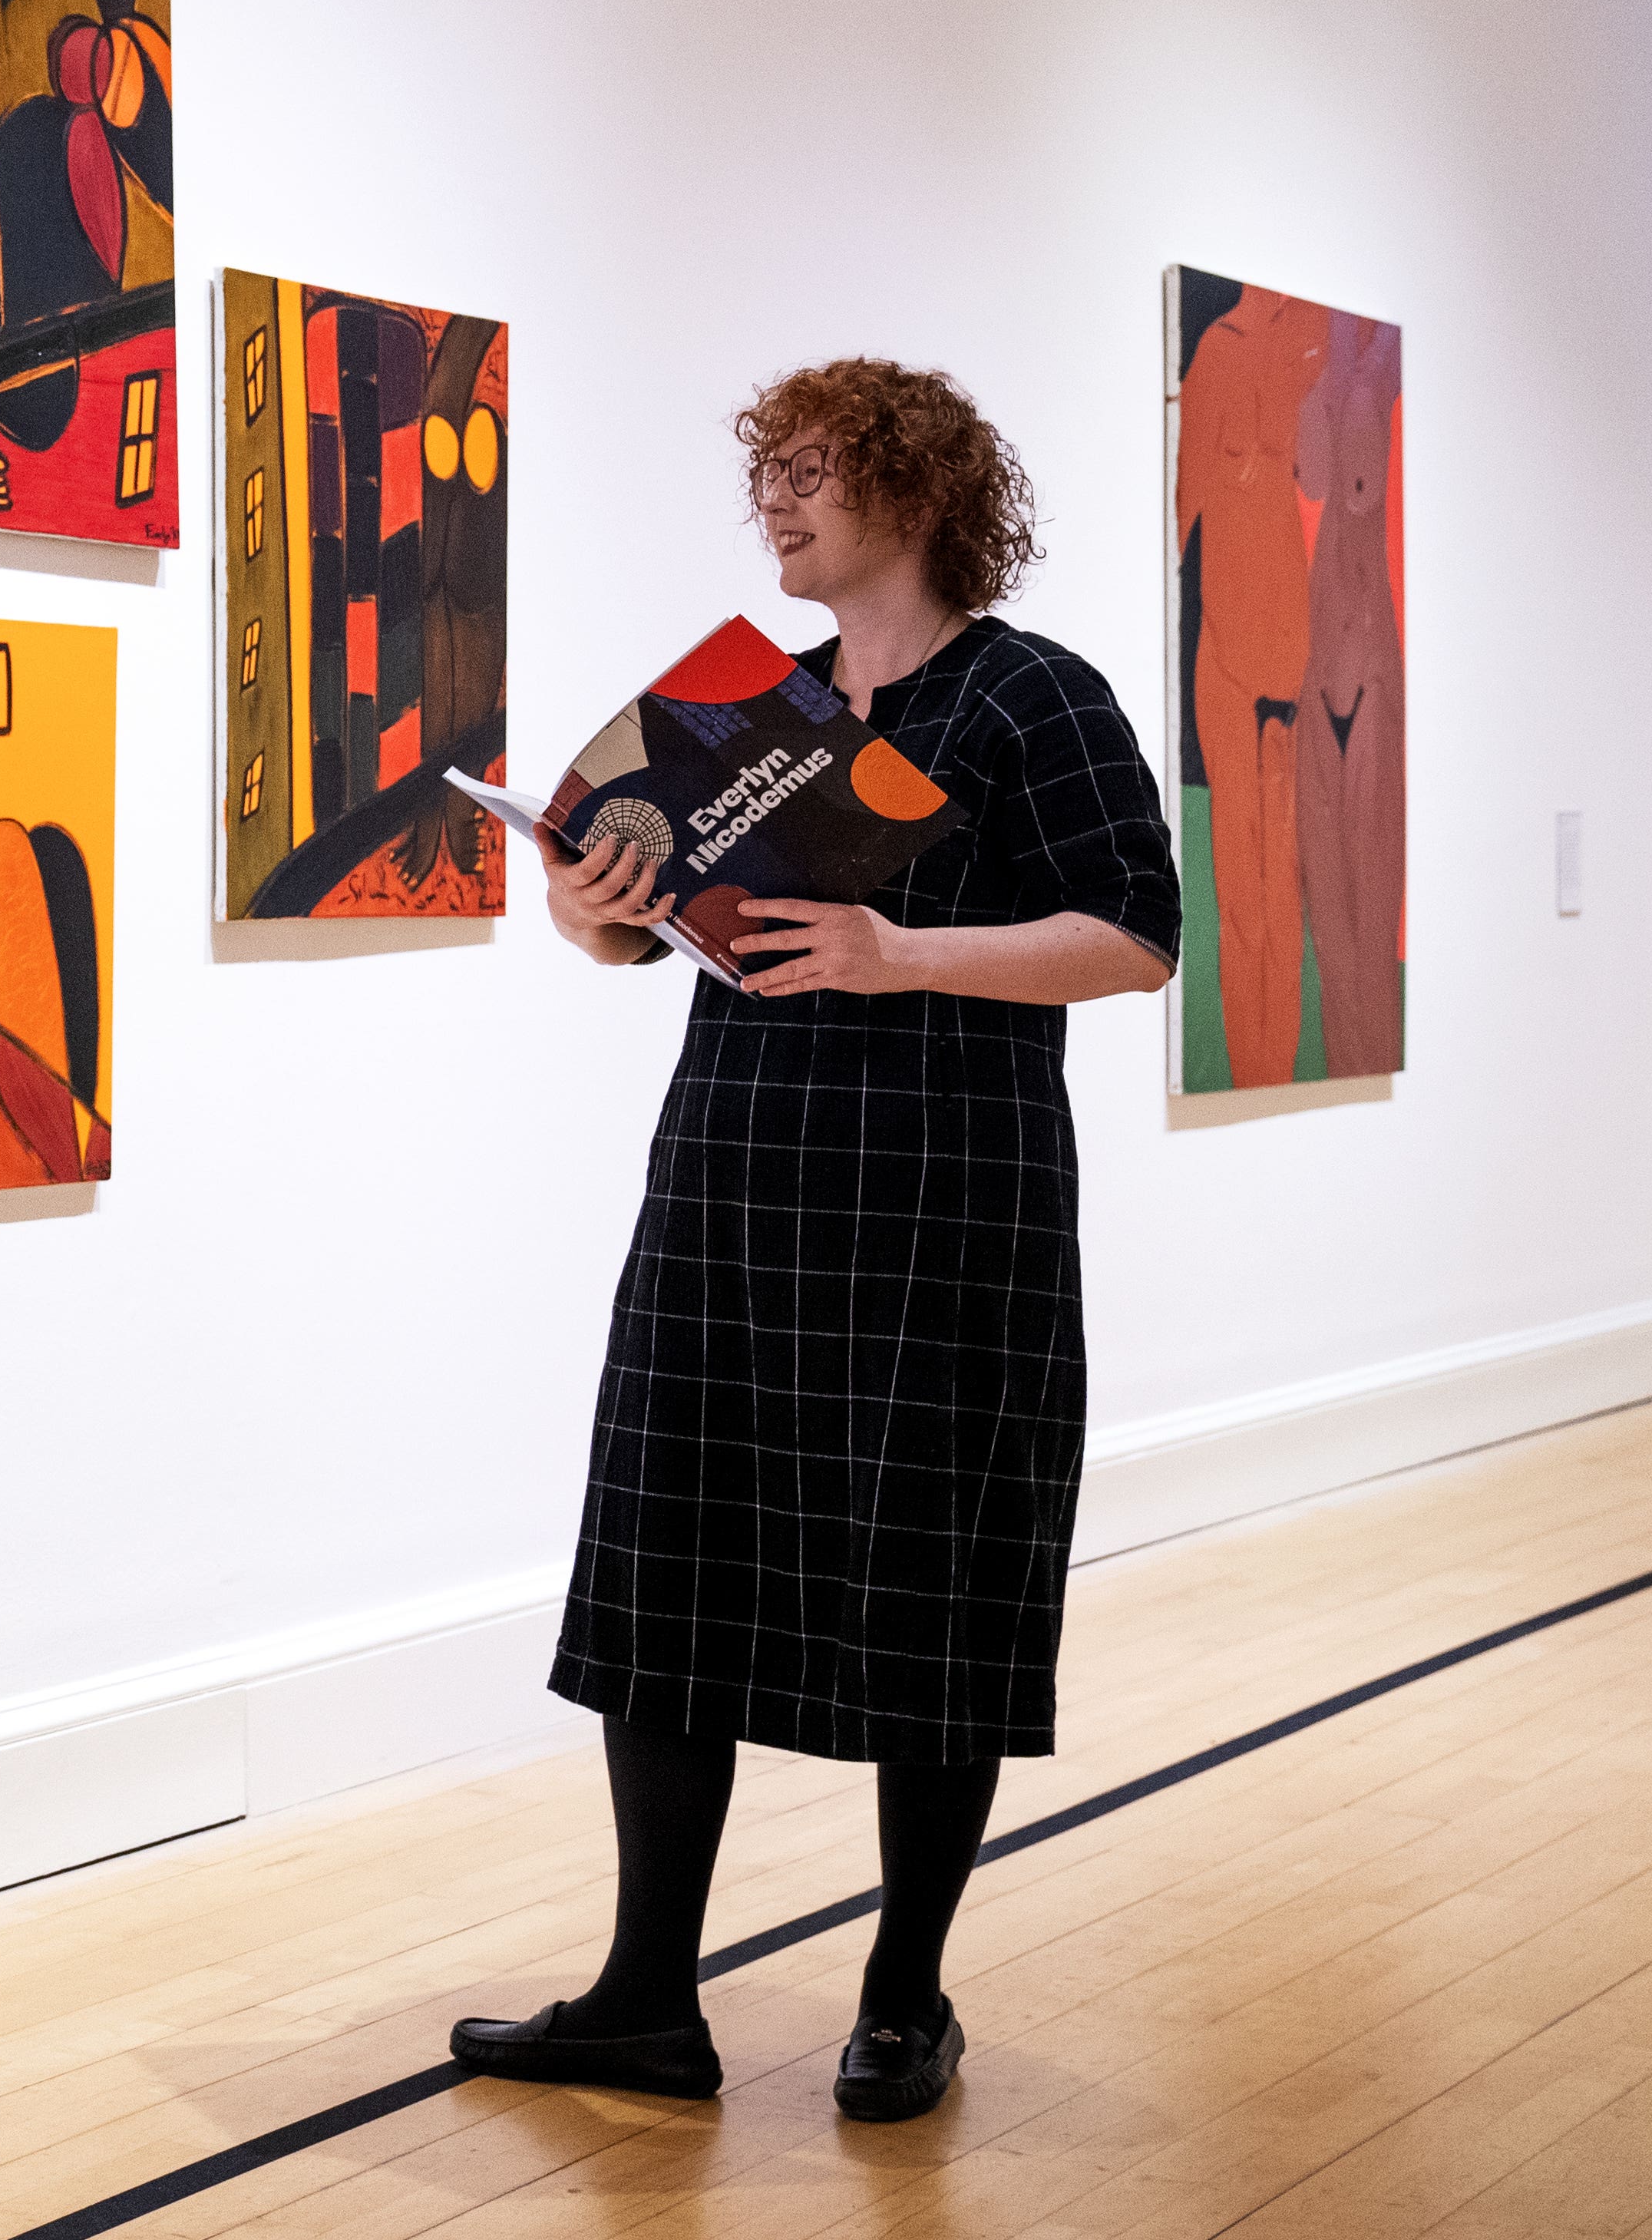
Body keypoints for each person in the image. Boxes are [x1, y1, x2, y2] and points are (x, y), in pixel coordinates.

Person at [449, 358, 1178, 2123]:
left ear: (916, 493)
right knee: (668, 1557)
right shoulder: (747, 706)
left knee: (934, 1570)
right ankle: (645, 1992)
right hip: (736, 1174)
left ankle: (905, 1989)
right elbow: (638, 944)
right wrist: (584, 898)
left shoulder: (1033, 699)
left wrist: (901, 948)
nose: (775, 503)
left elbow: (1138, 937)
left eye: (810, 475)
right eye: (766, 476)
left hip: (946, 1197)